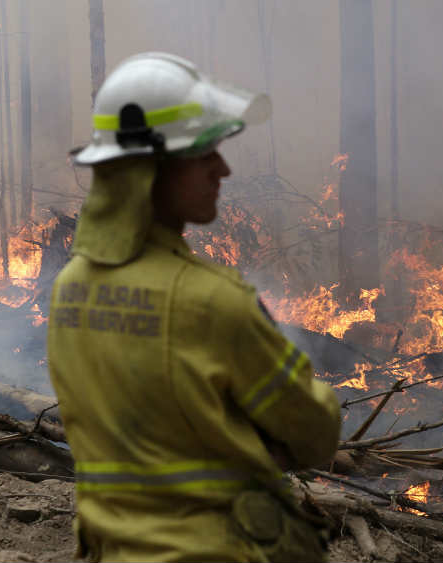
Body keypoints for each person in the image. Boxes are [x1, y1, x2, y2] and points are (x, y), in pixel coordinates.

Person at [46, 52, 342, 562]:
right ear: (150, 170)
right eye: (204, 154)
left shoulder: (70, 286)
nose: (222, 169)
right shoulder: (213, 301)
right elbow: (315, 435)